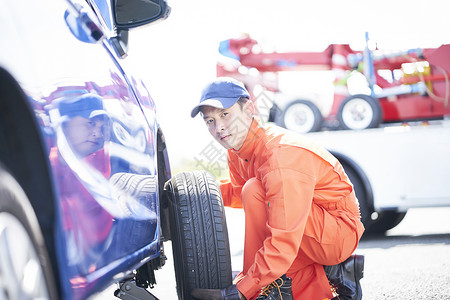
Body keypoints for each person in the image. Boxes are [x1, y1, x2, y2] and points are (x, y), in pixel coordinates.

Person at [189, 77, 365, 300]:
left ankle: (275, 284)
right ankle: (331, 273)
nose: (219, 127)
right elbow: (239, 192)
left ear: (249, 110)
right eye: (210, 121)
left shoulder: (280, 155)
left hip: (337, 234)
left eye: (225, 114)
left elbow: (283, 237)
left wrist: (243, 291)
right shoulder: (238, 150)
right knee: (253, 192)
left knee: (256, 193)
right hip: (310, 227)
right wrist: (194, 194)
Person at [49, 93, 113, 273]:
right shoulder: (46, 166)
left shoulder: (97, 164)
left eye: (102, 127)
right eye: (90, 123)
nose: (98, 133)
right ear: (65, 125)